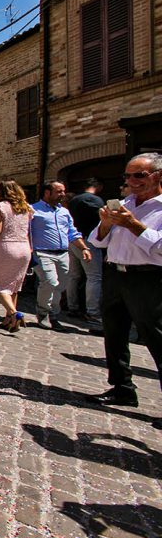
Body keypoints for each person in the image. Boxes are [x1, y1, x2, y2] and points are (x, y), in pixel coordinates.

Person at [85, 153, 162, 428]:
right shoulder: (125, 203)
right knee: (114, 335)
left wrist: (133, 225)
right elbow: (97, 240)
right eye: (128, 176)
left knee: (157, 340)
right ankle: (122, 388)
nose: (131, 181)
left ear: (158, 176)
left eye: (138, 175)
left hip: (149, 279)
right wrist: (106, 223)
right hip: (117, 275)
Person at [30, 181, 92, 331]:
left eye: (63, 191)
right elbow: (25, 232)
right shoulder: (33, 210)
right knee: (49, 282)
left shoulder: (64, 212)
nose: (63, 194)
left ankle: (53, 315)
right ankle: (43, 313)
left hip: (63, 254)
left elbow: (73, 233)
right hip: (42, 252)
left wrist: (84, 248)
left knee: (60, 286)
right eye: (59, 191)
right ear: (47, 193)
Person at [0, 180, 33, 332]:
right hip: (24, 248)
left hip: (7, 246)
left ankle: (13, 313)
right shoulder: (27, 208)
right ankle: (8, 320)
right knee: (14, 285)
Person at [66, 177, 105, 334]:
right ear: (98, 186)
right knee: (94, 277)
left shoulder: (75, 200)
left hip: (73, 240)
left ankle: (72, 306)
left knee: (73, 275)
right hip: (89, 241)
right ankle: (92, 312)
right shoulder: (96, 200)